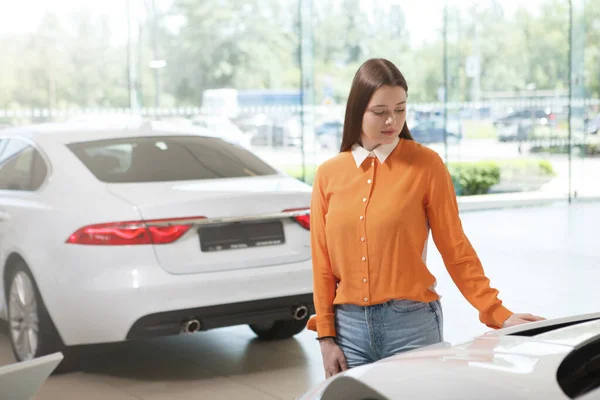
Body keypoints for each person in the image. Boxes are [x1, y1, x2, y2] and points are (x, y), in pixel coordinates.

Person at [306, 58, 544, 378]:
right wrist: (326, 337)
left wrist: (495, 311)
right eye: (380, 111)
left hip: (412, 326)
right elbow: (322, 263)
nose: (392, 120)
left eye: (400, 109)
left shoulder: (426, 166)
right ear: (356, 110)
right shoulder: (328, 174)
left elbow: (455, 247)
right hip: (348, 332)